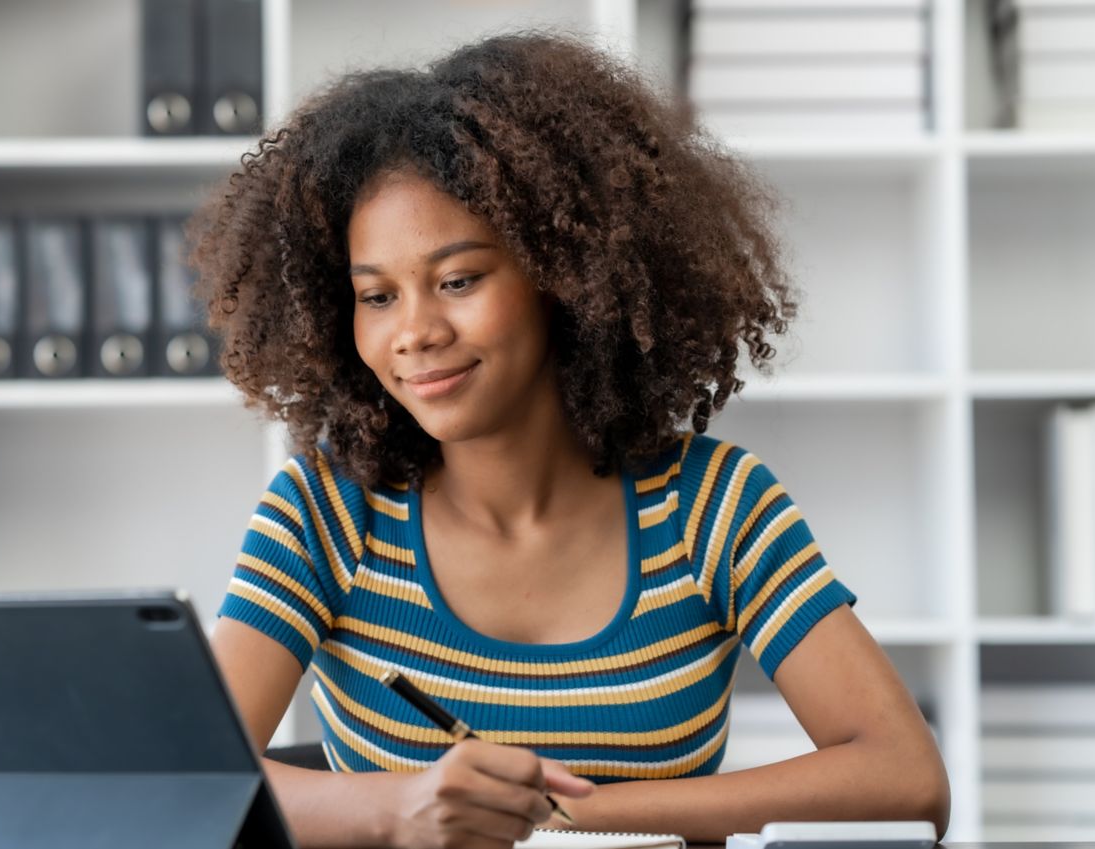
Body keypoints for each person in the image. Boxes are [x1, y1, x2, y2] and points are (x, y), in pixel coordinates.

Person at [186, 31, 949, 849]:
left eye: (458, 280)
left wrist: (565, 816)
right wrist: (397, 808)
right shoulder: (326, 512)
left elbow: (905, 781)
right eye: (376, 296)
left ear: (566, 276)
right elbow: (192, 780)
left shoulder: (712, 506)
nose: (413, 332)